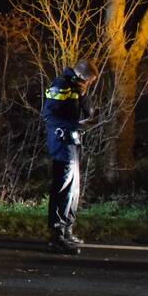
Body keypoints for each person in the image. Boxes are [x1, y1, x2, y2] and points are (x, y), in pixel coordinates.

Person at [42, 59, 98, 255]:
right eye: (89, 80)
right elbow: (49, 116)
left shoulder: (76, 87)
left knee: (74, 188)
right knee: (63, 188)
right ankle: (56, 235)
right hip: (61, 142)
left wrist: (86, 101)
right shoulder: (60, 85)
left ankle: (67, 229)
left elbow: (83, 109)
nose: (90, 83)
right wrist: (76, 126)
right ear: (82, 75)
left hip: (71, 142)